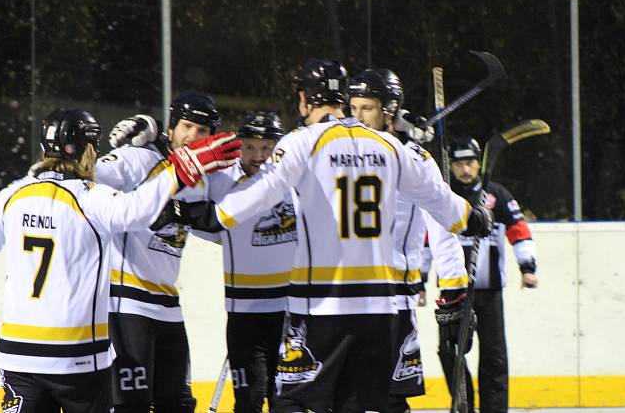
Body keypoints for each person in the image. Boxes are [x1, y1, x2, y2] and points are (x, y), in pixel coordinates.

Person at [176, 59, 493, 413]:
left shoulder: (302, 142)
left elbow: (266, 190)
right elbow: (437, 198)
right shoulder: (389, 147)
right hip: (381, 309)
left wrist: (213, 214)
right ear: (344, 99)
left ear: (303, 99)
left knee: (291, 403)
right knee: (359, 405)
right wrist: (472, 216)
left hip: (322, 306)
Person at [0, 108, 240, 413]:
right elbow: (138, 210)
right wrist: (181, 168)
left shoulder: (13, 194)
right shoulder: (91, 198)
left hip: (19, 358)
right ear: (85, 150)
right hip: (79, 358)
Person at [347, 68, 471, 413]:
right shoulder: (337, 155)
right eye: (352, 107)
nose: (356, 118)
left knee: (390, 401)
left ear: (388, 110)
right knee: (345, 399)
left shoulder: (413, 160)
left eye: (366, 108)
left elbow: (443, 226)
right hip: (343, 297)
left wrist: (453, 291)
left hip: (392, 300)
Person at [97, 91, 227, 413]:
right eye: (186, 126)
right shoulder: (139, 159)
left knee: (178, 405)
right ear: (171, 128)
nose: (192, 136)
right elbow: (86, 179)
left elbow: (223, 227)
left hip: (169, 307)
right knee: (131, 407)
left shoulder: (207, 178)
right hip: (126, 305)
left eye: (202, 131)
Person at [196, 110, 296, 412]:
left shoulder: (292, 180)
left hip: (289, 313)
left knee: (286, 401)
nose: (259, 155)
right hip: (244, 314)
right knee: (249, 400)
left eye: (267, 147)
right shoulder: (221, 180)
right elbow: (198, 214)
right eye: (250, 146)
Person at [439, 136, 538, 413]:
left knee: (494, 357)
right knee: (449, 352)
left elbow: (520, 231)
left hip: (490, 291)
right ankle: (464, 406)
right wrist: (420, 279)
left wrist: (528, 267)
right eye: (458, 163)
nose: (465, 169)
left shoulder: (497, 194)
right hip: (453, 291)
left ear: (478, 162)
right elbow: (425, 238)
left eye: (470, 162)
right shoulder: (443, 195)